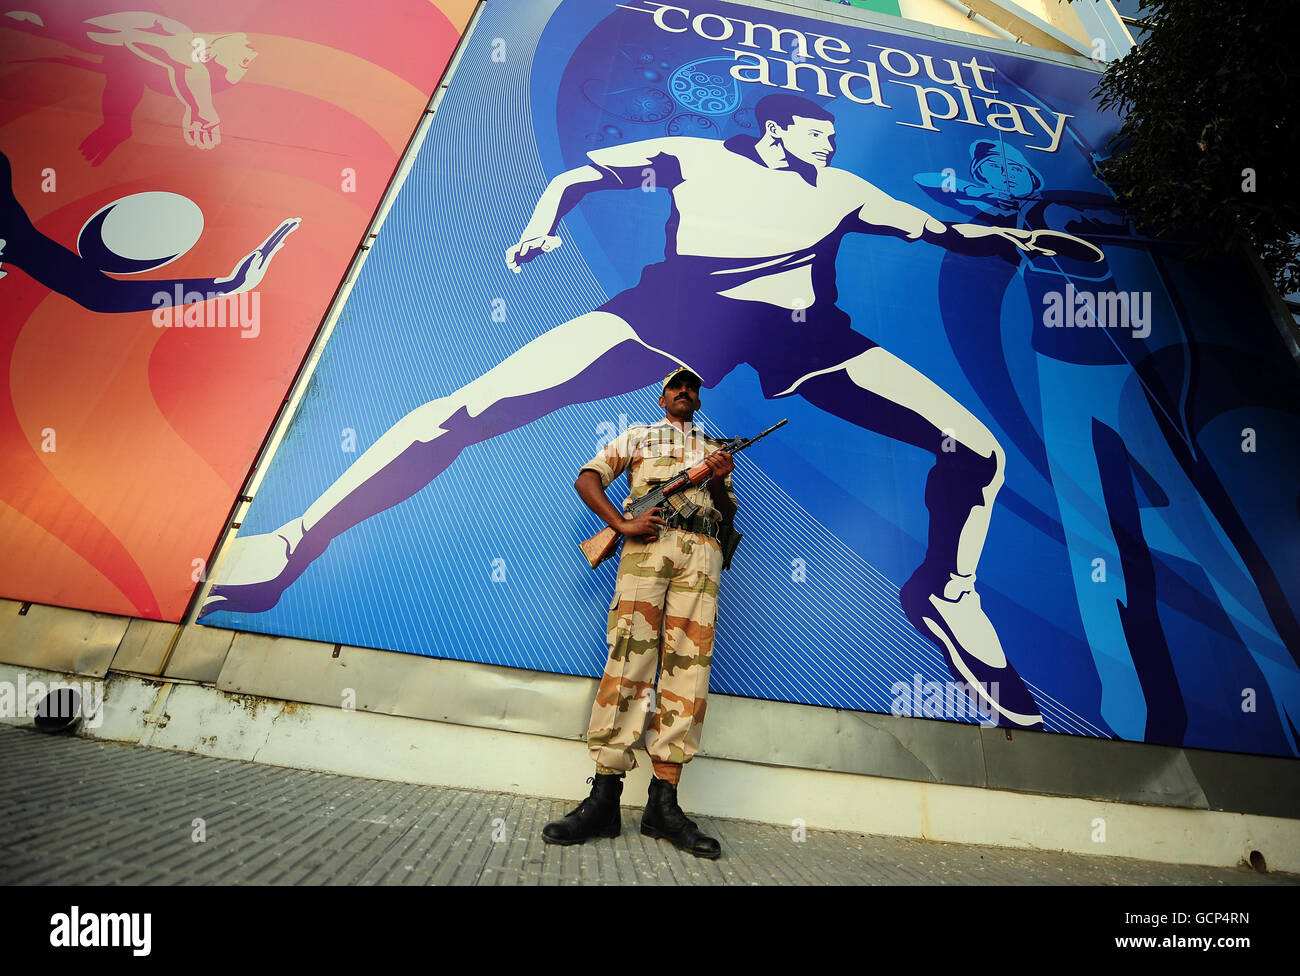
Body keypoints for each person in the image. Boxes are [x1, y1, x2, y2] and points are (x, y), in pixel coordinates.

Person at [203, 93, 1102, 729]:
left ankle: (947, 598)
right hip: (674, 313)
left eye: (833, 134)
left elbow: (947, 231)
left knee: (978, 452)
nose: (830, 143)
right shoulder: (697, 157)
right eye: (818, 131)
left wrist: (1024, 239)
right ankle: (293, 542)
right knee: (464, 408)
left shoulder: (843, 193)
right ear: (776, 130)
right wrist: (540, 225)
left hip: (805, 332)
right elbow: (578, 179)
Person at [541, 367, 734, 858]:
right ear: (662, 396)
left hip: (701, 557)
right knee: (629, 660)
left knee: (688, 673)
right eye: (677, 386)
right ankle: (604, 799)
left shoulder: (715, 451)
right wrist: (621, 523)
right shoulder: (640, 435)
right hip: (648, 550)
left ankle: (663, 806)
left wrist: (718, 479)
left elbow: (728, 516)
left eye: (693, 387)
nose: (685, 392)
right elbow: (588, 479)